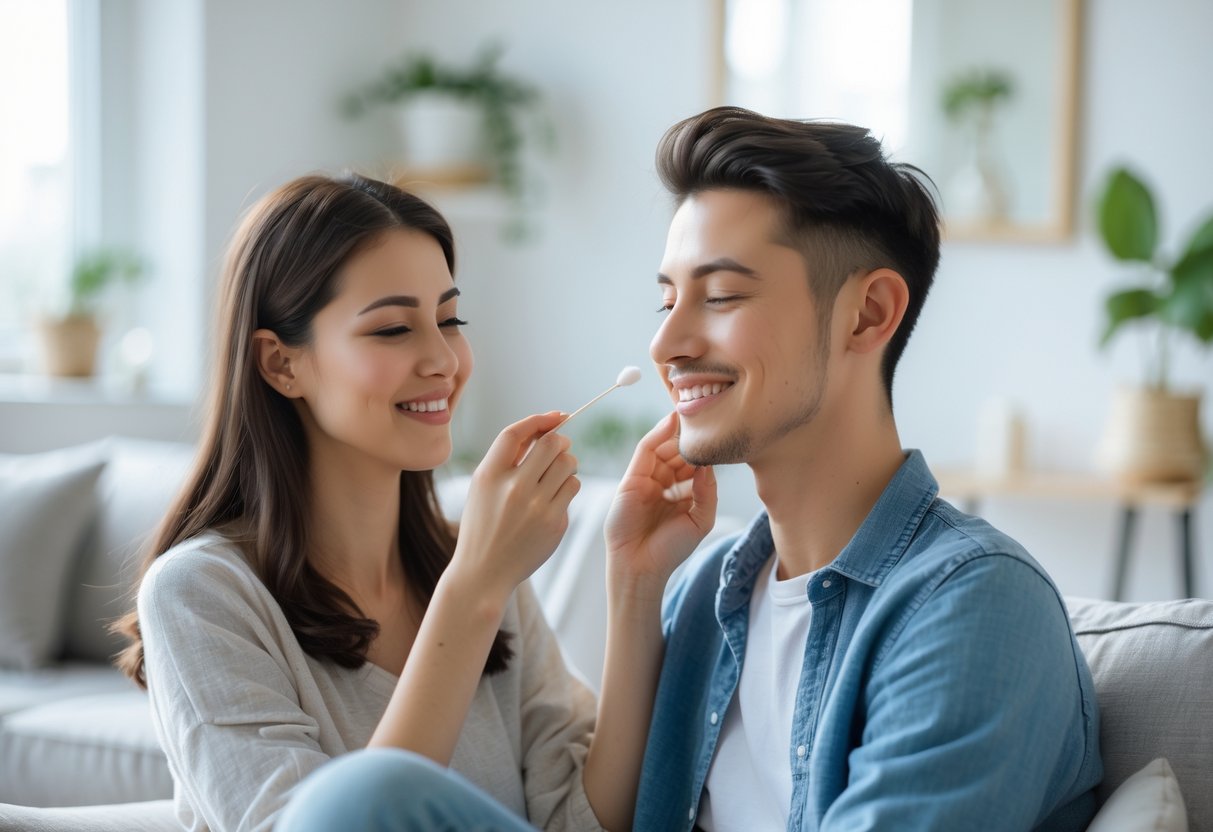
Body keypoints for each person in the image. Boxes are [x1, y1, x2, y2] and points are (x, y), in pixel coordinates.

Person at [113, 173, 680, 832]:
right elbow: (341, 821)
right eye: (390, 330)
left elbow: (583, 822)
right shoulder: (200, 594)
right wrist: (473, 588)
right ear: (280, 365)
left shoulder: (471, 567)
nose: (443, 359)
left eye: (449, 320)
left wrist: (635, 581)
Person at [605, 107, 1103, 831]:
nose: (666, 342)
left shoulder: (975, 605)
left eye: (719, 297)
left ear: (867, 314)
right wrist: (632, 586)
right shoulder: (702, 595)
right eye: (666, 299)